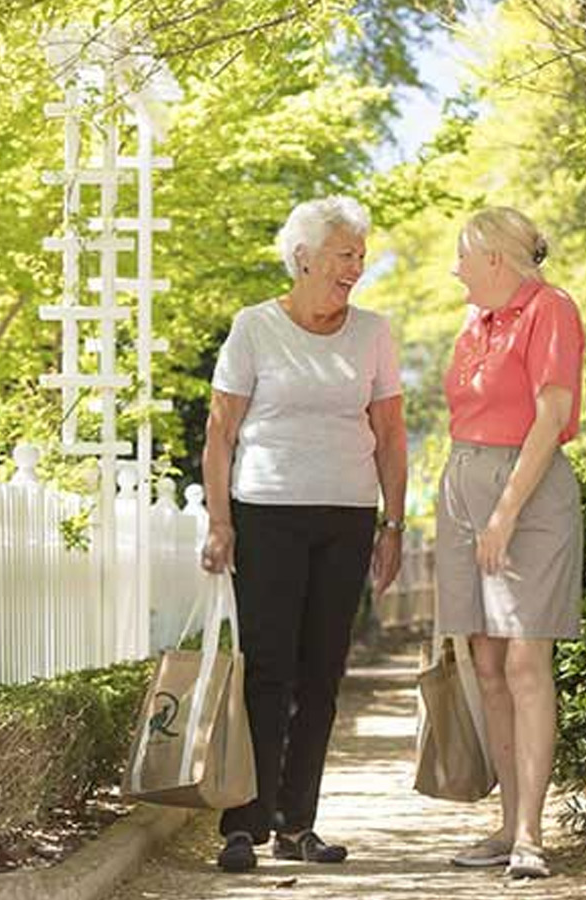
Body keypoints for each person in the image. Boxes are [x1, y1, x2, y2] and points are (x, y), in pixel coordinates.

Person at [199, 195, 408, 872]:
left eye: (360, 254)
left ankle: (298, 824)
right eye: (344, 254)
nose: (356, 266)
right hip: (267, 513)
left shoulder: (372, 333)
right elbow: (221, 432)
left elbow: (390, 433)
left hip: (347, 516)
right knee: (267, 668)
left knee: (322, 672)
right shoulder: (255, 327)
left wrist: (394, 524)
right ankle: (244, 822)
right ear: (304, 258)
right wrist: (221, 521)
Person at [435, 207, 585, 879]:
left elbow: (551, 418)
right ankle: (505, 825)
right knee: (488, 663)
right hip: (464, 485)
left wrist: (504, 514)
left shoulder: (550, 310)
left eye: (463, 257)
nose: (455, 270)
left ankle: (531, 835)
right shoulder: (475, 322)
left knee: (526, 663)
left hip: (525, 494)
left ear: (495, 258)